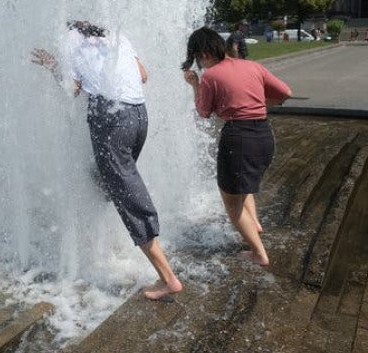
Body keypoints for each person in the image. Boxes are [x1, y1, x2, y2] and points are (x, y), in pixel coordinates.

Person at [32, 20, 183, 300]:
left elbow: (73, 87)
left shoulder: (70, 40)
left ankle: (168, 279)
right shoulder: (116, 36)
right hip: (139, 117)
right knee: (103, 181)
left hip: (111, 121)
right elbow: (143, 74)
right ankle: (101, 237)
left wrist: (52, 65)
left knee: (129, 198)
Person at [182, 27, 291, 267]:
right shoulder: (252, 66)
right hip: (265, 135)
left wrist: (195, 84)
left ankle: (258, 253)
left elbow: (203, 112)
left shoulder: (211, 75)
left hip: (239, 138)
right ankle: (255, 225)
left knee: (231, 201)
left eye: (198, 59)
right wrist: (255, 102)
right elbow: (285, 92)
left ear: (204, 53)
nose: (200, 64)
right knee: (244, 186)